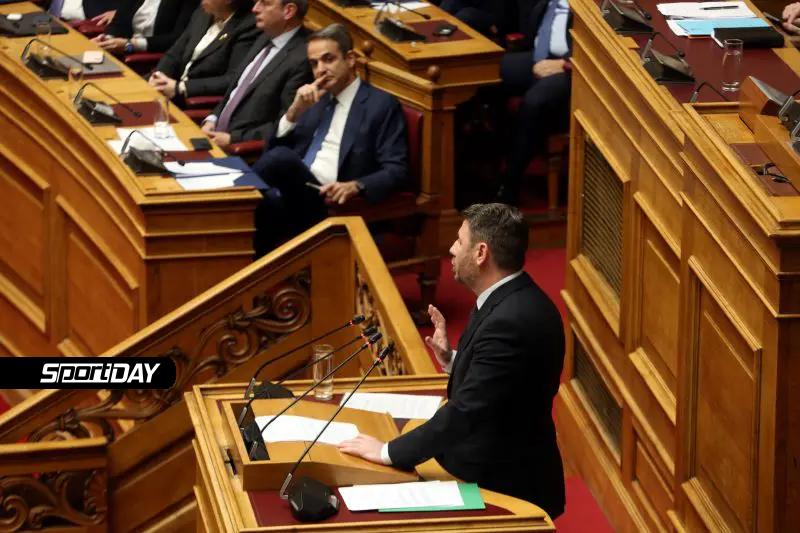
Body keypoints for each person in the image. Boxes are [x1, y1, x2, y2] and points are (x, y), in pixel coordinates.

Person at [338, 203, 566, 519]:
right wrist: (452, 359)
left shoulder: (511, 319)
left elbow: (468, 412)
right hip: (489, 457)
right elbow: (503, 383)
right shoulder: (509, 297)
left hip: (502, 482)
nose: (452, 249)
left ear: (481, 253)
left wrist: (387, 451)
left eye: (459, 241)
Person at [251, 23, 407, 254]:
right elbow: (269, 154)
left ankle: (231, 199)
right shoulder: (314, 100)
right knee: (261, 207)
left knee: (280, 159)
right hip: (295, 194)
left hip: (331, 203)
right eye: (314, 64)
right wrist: (293, 113)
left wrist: (357, 185)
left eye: (328, 59)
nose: (320, 70)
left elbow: (396, 169)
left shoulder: (380, 105)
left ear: (350, 59)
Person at [200, 0, 312, 148]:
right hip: (212, 137)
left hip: (241, 151)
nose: (255, 9)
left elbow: (285, 122)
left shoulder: (304, 59)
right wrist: (213, 118)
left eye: (265, 3)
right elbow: (235, 90)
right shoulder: (265, 36)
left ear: (288, 11)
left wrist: (233, 139)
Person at [495, 0, 572, 205]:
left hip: (569, 69)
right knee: (484, 73)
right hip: (536, 56)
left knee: (534, 102)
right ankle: (483, 167)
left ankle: (510, 183)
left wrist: (565, 64)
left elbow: (604, 40)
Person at [148, 0, 259, 103]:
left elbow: (231, 79)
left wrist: (181, 87)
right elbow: (175, 53)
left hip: (191, 100)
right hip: (168, 87)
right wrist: (158, 76)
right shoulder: (202, 12)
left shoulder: (248, 26)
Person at [91, 0, 199, 55]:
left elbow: (178, 39)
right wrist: (107, 39)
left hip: (149, 56)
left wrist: (130, 45)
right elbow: (119, 21)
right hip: (123, 47)